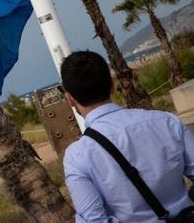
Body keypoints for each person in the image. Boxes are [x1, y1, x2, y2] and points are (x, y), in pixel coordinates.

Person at [61, 50, 194, 222]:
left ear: (69, 99)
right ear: (112, 84)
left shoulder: (77, 156)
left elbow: (93, 220)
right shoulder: (166, 121)